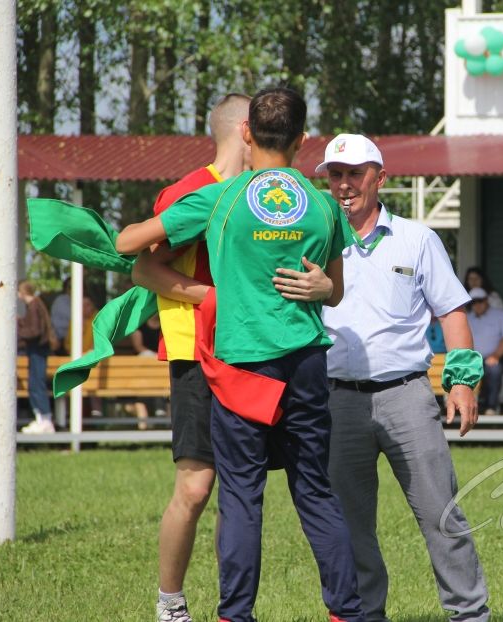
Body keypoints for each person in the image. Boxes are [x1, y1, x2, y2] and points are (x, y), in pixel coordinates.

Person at [117, 88, 364, 622]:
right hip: (305, 364)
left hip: (240, 366)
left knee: (241, 498)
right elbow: (335, 292)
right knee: (316, 493)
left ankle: (236, 614)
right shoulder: (324, 203)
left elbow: (127, 245)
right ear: (302, 140)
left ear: (248, 134)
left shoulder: (222, 197)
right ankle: (348, 612)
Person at [318, 133, 490, 622]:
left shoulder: (417, 239)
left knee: (441, 514)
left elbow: (453, 313)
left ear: (380, 178)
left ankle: (470, 615)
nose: (344, 185)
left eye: (355, 174)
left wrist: (460, 380)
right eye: (335, 174)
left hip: (408, 397)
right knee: (349, 525)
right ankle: (363, 615)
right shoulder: (312, 239)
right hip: (337, 400)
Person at [467, 286, 503, 415]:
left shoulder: (501, 316)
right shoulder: (467, 318)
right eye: (473, 302)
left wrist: (496, 355)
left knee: (493, 369)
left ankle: (491, 406)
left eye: (480, 301)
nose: (477, 305)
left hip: (496, 356)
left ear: (486, 300)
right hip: (472, 358)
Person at [18, 280, 55, 434]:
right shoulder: (36, 305)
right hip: (37, 350)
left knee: (36, 384)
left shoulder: (34, 306)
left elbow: (34, 331)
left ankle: (45, 419)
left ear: (22, 292)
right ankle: (40, 418)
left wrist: (19, 328)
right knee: (34, 383)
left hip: (37, 350)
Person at [50, 278, 71, 354]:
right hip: (61, 338)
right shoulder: (61, 301)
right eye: (70, 286)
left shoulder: (76, 300)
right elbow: (72, 317)